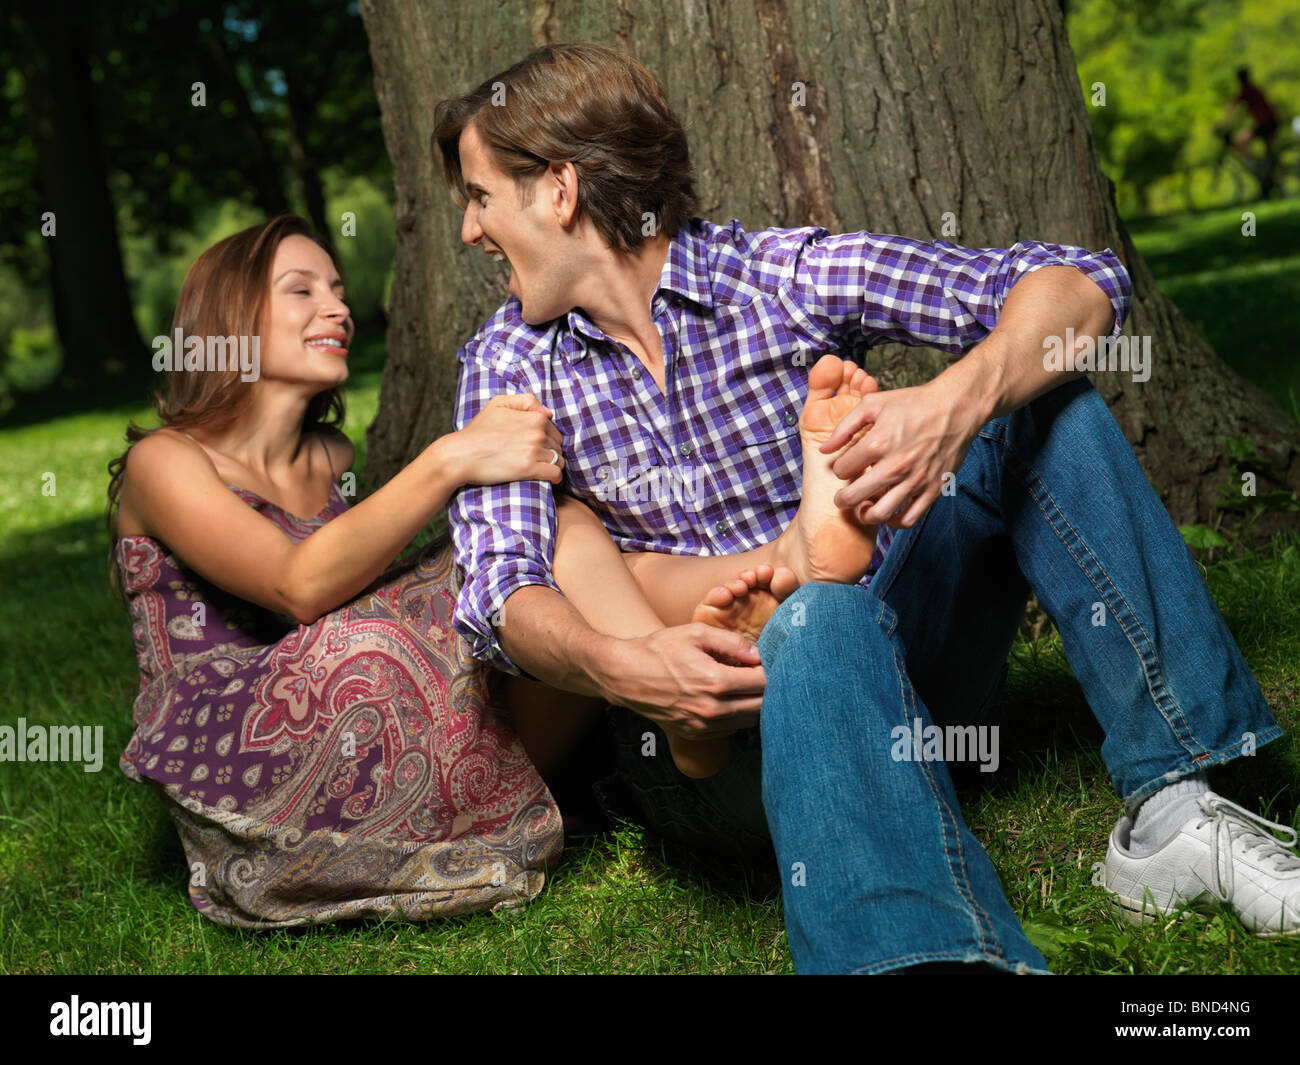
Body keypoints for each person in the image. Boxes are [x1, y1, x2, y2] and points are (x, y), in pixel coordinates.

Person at [435, 43, 1300, 973]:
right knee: (815, 617)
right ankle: (919, 952)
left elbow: (1082, 281)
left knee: (1033, 406)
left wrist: (952, 404)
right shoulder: (511, 362)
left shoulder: (777, 276)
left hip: (888, 674)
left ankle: (1181, 798)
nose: (469, 234)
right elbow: (499, 591)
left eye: (481, 197)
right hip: (709, 748)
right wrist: (627, 668)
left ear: (557, 189)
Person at [108, 215, 574, 928]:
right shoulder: (166, 462)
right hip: (239, 767)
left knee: (514, 550)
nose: (339, 308)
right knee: (377, 638)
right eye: (303, 291)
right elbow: (299, 586)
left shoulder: (334, 457)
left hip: (361, 723)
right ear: (232, 319)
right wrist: (452, 459)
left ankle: (568, 755)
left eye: (339, 290)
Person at [1221, 66, 1282, 195]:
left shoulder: (1246, 91)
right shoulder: (1252, 89)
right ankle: (1269, 182)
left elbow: (1233, 108)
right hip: (1269, 122)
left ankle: (1259, 167)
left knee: (1239, 142)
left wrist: (1225, 125)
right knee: (1269, 157)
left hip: (1267, 124)